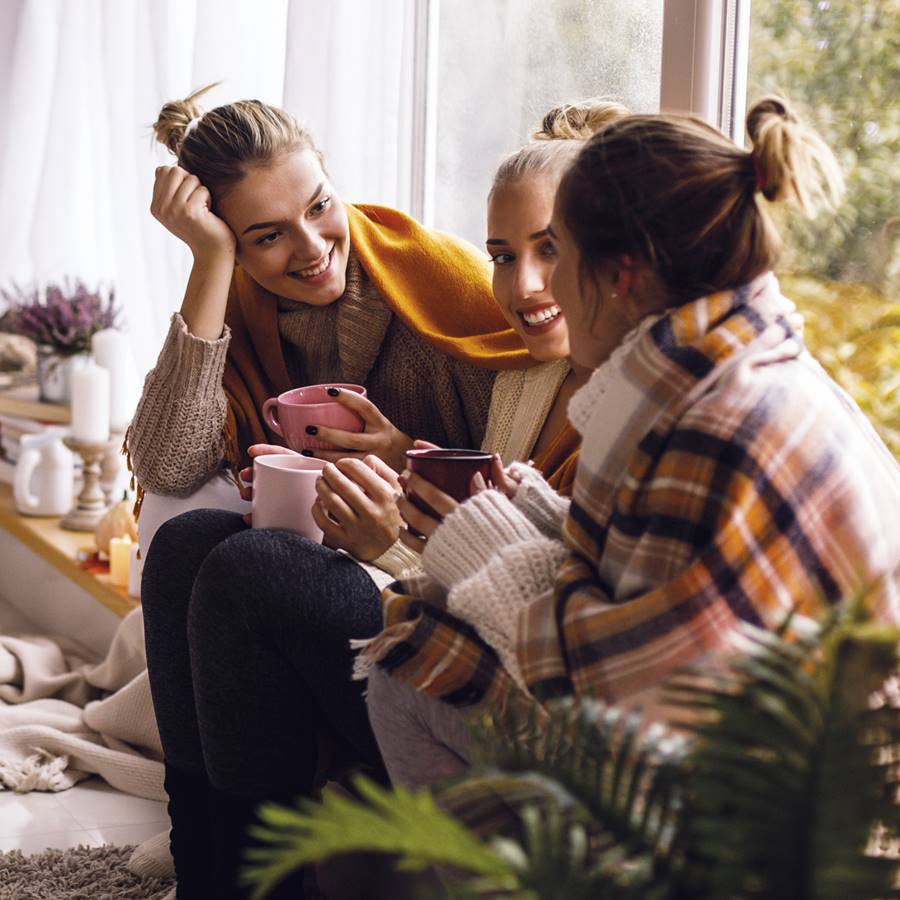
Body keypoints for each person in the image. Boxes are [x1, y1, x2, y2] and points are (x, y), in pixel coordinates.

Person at [139, 94, 621, 898]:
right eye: (264, 237)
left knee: (253, 567)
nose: (311, 248)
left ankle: (251, 880)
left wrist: (391, 522)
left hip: (470, 642)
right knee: (192, 547)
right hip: (413, 589)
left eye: (320, 207)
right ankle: (206, 869)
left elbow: (511, 563)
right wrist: (209, 265)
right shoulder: (541, 364)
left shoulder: (470, 309)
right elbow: (169, 462)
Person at [364, 96, 900, 790]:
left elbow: (618, 705)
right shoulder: (731, 364)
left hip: (792, 830)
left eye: (557, 253)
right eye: (507, 254)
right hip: (757, 761)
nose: (535, 285)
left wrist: (477, 534)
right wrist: (523, 513)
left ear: (618, 274)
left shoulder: (718, 425)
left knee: (409, 670)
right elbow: (645, 580)